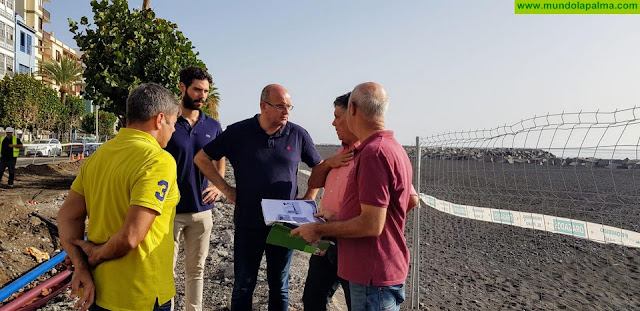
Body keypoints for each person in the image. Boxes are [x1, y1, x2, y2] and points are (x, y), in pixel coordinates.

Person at [194, 84, 322, 311]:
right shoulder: (238, 132)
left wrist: (309, 197)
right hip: (248, 222)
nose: (286, 112)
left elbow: (319, 168)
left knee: (279, 285)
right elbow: (202, 158)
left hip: (285, 226)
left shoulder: (298, 134)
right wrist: (226, 189)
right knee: (244, 284)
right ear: (263, 106)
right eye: (280, 106)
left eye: (289, 106)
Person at [292, 82, 419, 311]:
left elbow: (372, 224)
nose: (333, 123)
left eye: (337, 116)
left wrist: (318, 229)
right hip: (374, 269)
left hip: (370, 271)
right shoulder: (391, 147)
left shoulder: (374, 153)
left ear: (352, 109)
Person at [57, 83, 181, 311]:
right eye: (173, 124)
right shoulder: (158, 160)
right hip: (141, 294)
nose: (174, 131)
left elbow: (67, 216)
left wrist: (81, 266)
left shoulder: (98, 157)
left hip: (100, 292)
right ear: (159, 119)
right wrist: (94, 256)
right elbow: (131, 236)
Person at [165, 67, 224, 311]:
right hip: (169, 211)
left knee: (196, 270)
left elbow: (220, 156)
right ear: (182, 88)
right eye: (197, 89)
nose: (202, 96)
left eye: (206, 91)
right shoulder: (167, 122)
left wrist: (218, 185)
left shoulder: (213, 125)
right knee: (165, 270)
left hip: (202, 211)